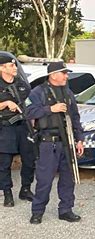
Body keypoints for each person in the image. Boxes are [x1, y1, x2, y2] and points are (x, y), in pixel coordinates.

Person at [26, 61, 84, 224]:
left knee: (68, 178)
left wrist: (80, 139)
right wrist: (50, 109)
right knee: (44, 180)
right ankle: (37, 211)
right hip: (47, 143)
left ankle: (66, 209)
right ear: (53, 75)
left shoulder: (68, 92)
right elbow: (28, 111)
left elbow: (75, 117)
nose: (67, 76)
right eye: (64, 73)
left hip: (67, 141)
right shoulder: (38, 92)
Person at [0, 57, 35, 207]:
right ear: (2, 68)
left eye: (15, 65)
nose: (15, 68)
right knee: (4, 163)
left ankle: (25, 189)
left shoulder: (22, 85)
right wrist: (6, 103)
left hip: (23, 126)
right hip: (5, 127)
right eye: (11, 65)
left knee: (29, 160)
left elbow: (31, 105)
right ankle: (7, 192)